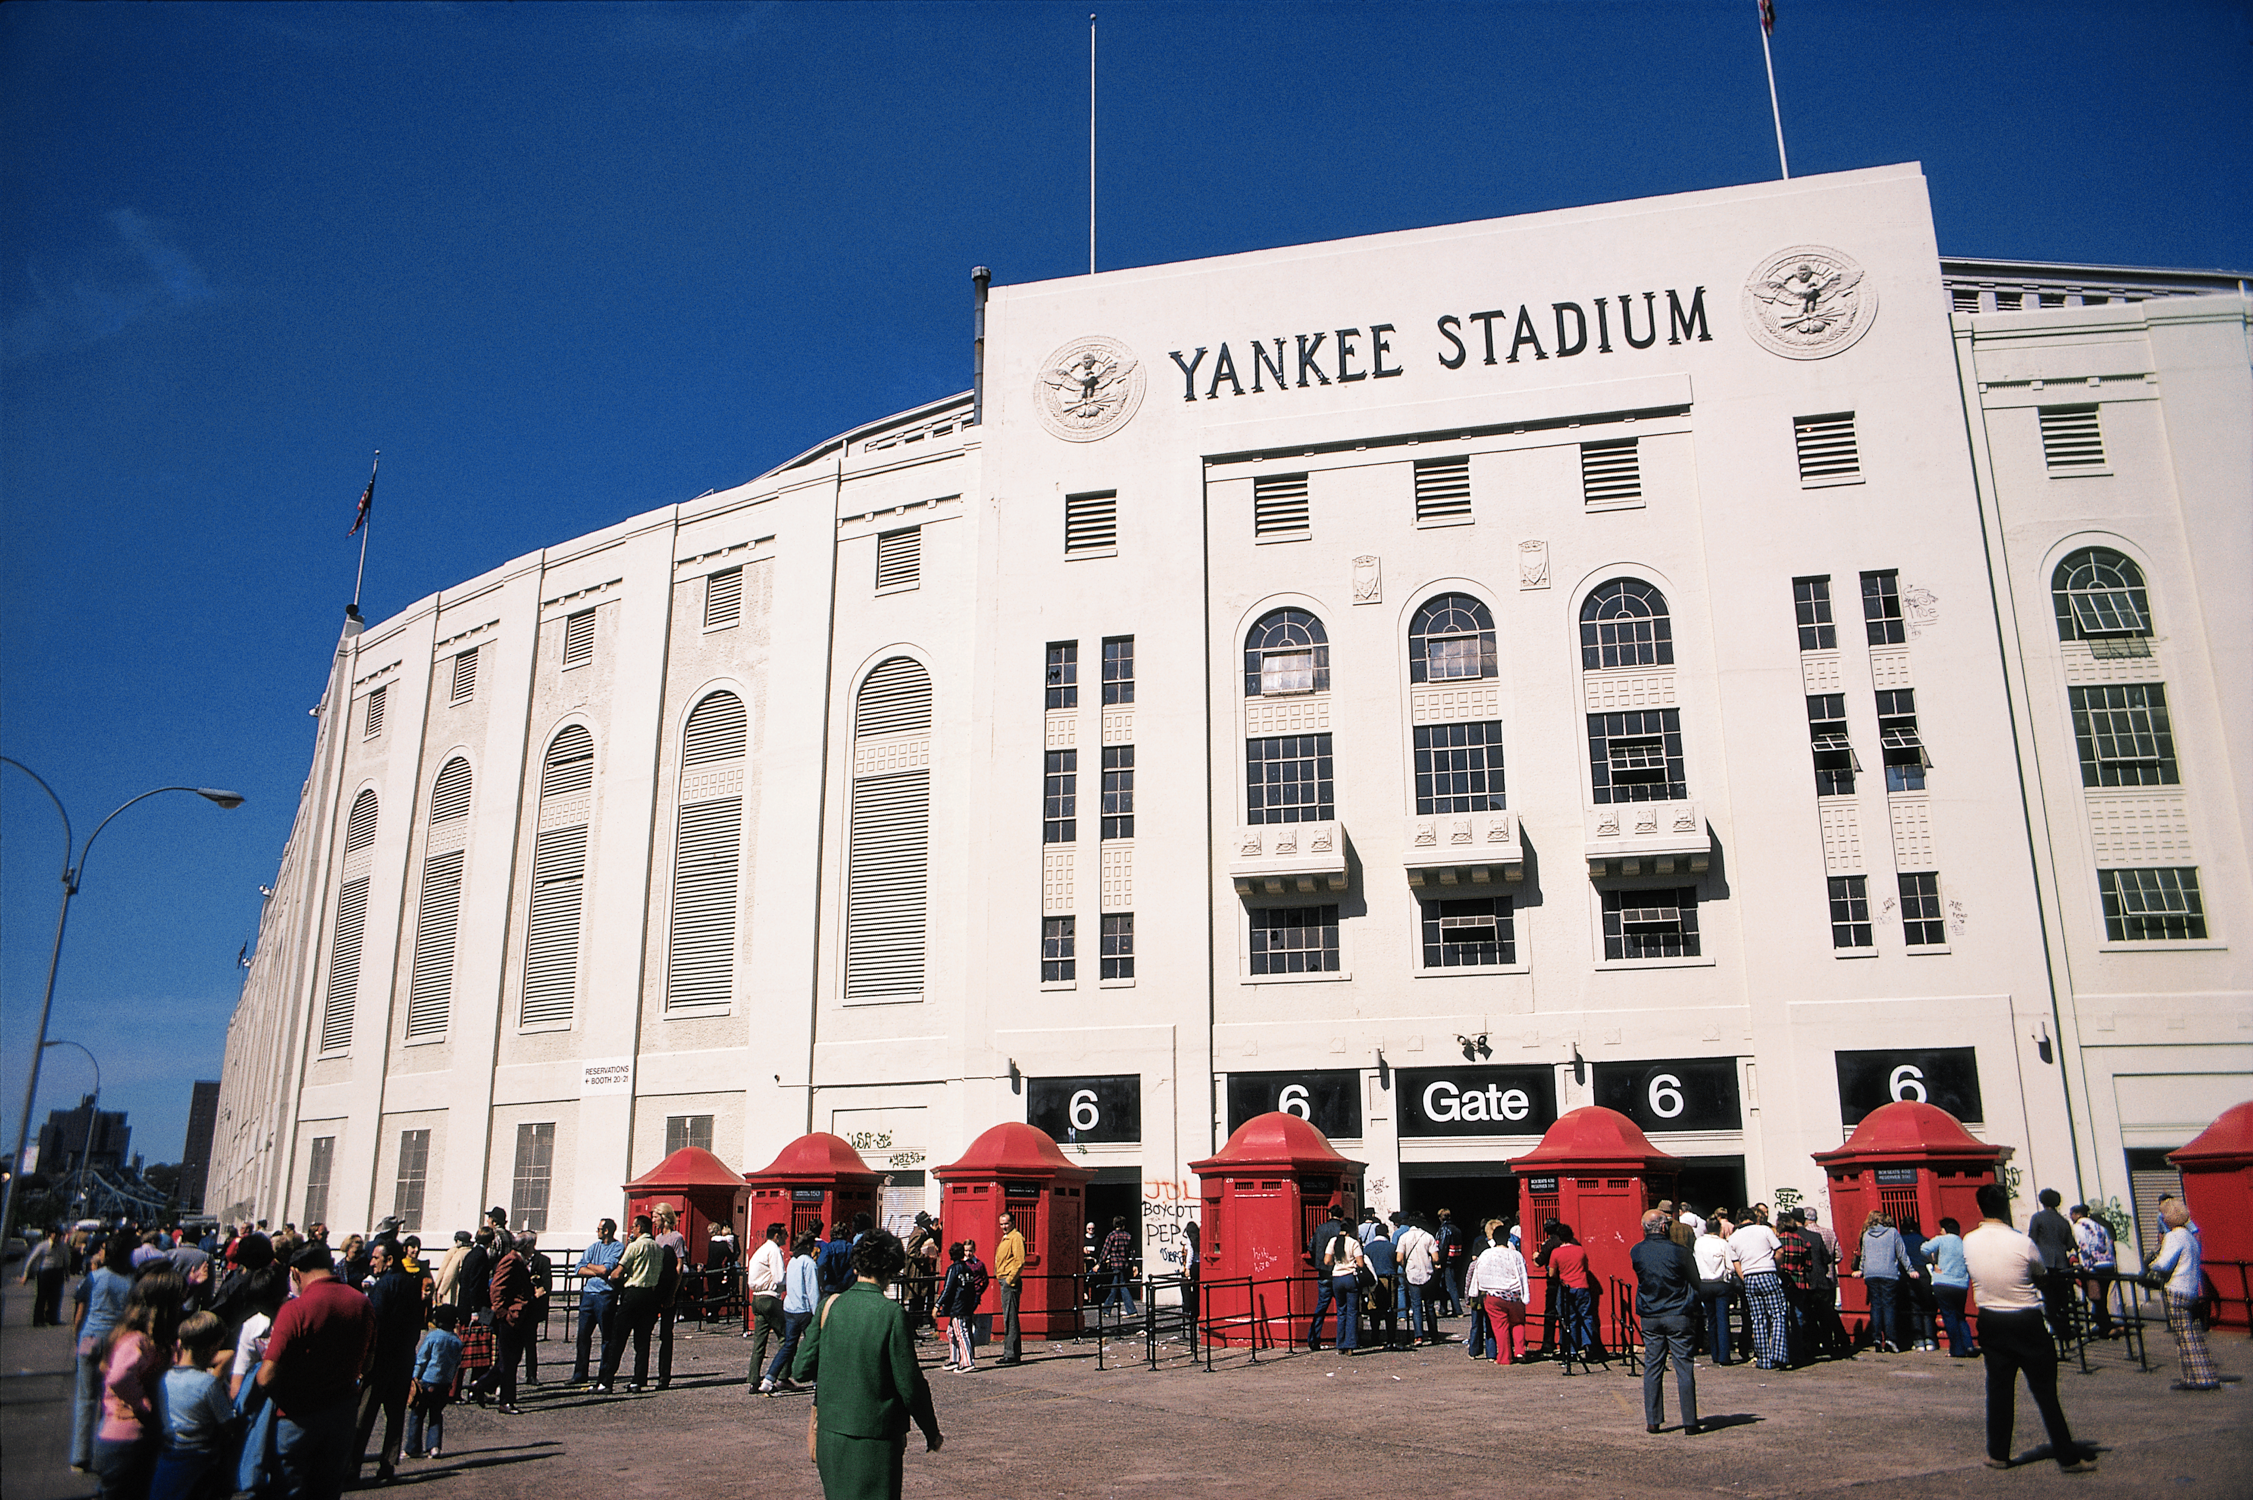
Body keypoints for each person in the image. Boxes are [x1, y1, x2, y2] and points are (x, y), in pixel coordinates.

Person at [790, 1229, 942, 1500]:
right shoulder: (892, 1314)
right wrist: (931, 1432)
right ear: (889, 1269)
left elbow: (800, 1369)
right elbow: (910, 1385)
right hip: (877, 1438)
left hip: (831, 1433)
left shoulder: (830, 1306)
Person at [1963, 1183, 2094, 1472]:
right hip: (2025, 1318)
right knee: (2045, 1391)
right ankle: (2068, 1457)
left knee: (1998, 1389)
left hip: (1990, 1317)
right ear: (2006, 1207)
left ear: (1979, 1207)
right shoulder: (2021, 1242)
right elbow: (2040, 1274)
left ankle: (1998, 1453)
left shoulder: (1968, 1240)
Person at [257, 1243, 376, 1500]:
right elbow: (367, 1365)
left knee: (288, 1490)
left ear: (295, 1272)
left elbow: (266, 1376)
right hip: (342, 1415)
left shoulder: (295, 1309)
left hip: (297, 1416)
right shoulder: (363, 1303)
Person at [95, 1271, 183, 1500]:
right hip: (127, 1443)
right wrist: (141, 1403)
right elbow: (119, 1377)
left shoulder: (136, 1336)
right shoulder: (137, 1340)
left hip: (124, 1440)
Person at [149, 1311, 236, 1500]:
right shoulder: (207, 1384)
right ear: (211, 1348)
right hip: (200, 1459)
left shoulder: (166, 1378)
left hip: (170, 1453)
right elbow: (228, 1425)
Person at [355, 1241, 423, 1481]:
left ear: (389, 1260)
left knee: (364, 1414)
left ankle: (352, 1466)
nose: (372, 1262)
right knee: (395, 1416)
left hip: (381, 1359)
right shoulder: (411, 1284)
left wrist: (365, 1359)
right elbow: (417, 1323)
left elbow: (374, 1323)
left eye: (376, 1258)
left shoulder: (383, 1286)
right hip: (404, 1357)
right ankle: (388, 1464)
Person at [74, 1231, 140, 1471]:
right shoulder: (131, 1281)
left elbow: (80, 1313)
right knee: (108, 1399)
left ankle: (80, 1456)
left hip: (89, 1337)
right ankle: (103, 1455)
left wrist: (77, 1339)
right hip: (115, 1341)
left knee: (84, 1397)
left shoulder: (95, 1277)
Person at [1632, 1209, 1701, 1436]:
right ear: (1664, 1226)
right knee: (1684, 1367)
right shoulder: (1679, 1252)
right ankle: (1690, 1421)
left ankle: (1653, 1420)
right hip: (1678, 1312)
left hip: (1650, 1314)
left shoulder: (1637, 1251)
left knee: (1653, 1366)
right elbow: (1695, 1280)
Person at [2148, 1199, 2217, 1392]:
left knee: (2184, 1338)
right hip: (2191, 1289)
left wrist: (2152, 1264)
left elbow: (2164, 1263)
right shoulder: (2189, 1236)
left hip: (2176, 1289)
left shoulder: (2174, 1236)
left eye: (2163, 1214)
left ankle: (2198, 1379)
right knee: (2193, 1335)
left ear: (2168, 1217)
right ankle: (2204, 1374)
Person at [595, 1214, 662, 1393]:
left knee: (618, 1339)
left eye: (634, 1227)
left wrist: (613, 1277)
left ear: (640, 1228)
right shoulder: (658, 1248)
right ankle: (638, 1381)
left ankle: (606, 1381)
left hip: (632, 1293)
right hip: (650, 1295)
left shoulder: (635, 1246)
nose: (632, 1230)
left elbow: (618, 1272)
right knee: (642, 1342)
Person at [760, 1229, 821, 1396]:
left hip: (790, 1309)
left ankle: (768, 1379)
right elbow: (813, 1291)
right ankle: (817, 1381)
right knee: (814, 1345)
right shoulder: (809, 1263)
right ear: (809, 1246)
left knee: (788, 1346)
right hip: (804, 1311)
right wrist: (817, 1314)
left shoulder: (793, 1261)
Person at [1728, 1212, 1789, 1370]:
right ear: (1753, 1219)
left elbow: (1736, 1263)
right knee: (1777, 1314)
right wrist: (1777, 1268)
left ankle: (1764, 1359)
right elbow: (1780, 1251)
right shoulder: (1764, 1230)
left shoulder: (1733, 1238)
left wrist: (1745, 1278)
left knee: (1758, 1319)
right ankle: (1779, 1354)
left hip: (1749, 1277)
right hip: (1768, 1273)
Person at [403, 1306, 464, 1461]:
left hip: (427, 1380)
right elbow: (456, 1363)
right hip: (444, 1383)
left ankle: (413, 1448)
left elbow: (422, 1359)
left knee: (417, 1414)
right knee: (436, 1414)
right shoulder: (457, 1341)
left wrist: (415, 1376)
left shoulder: (432, 1337)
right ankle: (434, 1446)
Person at [1855, 1210, 1919, 1353]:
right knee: (1889, 1307)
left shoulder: (1866, 1234)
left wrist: (1862, 1270)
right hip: (1888, 1273)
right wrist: (1910, 1270)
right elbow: (1901, 1253)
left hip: (1871, 1274)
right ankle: (1890, 1340)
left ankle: (1877, 1339)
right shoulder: (1892, 1232)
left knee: (1876, 1306)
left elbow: (1864, 1255)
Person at [1467, 1217, 1529, 1364]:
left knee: (1500, 1327)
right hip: (1514, 1295)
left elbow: (1477, 1273)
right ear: (1508, 1238)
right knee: (1518, 1322)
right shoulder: (1516, 1255)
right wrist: (1525, 1296)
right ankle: (1520, 1351)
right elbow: (1522, 1275)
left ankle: (1505, 1357)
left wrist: (1473, 1292)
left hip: (1493, 1295)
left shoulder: (1486, 1254)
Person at [571, 1218, 623, 1384]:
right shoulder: (593, 1247)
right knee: (582, 1336)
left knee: (606, 1337)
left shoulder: (617, 1248)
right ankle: (580, 1374)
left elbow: (605, 1269)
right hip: (588, 1294)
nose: (597, 1231)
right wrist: (597, 1271)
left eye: (599, 1228)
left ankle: (604, 1374)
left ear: (606, 1230)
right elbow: (578, 1268)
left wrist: (591, 1266)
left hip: (605, 1295)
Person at [488, 1231, 535, 1413]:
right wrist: (503, 1313)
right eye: (533, 1245)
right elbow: (496, 1287)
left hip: (519, 1316)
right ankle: (506, 1400)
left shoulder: (519, 1260)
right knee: (508, 1361)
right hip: (510, 1317)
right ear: (527, 1246)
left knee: (511, 1359)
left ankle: (481, 1385)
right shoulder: (511, 1260)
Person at [1923, 1217, 1979, 1357]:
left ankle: (1957, 1349)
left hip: (1942, 1282)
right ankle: (1969, 1345)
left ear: (1945, 1229)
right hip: (1960, 1284)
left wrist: (1933, 1262)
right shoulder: (1963, 1242)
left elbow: (1924, 1248)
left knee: (1949, 1316)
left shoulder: (1941, 1239)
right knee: (1960, 1316)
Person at [2027, 1188, 2077, 1342]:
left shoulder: (2037, 1218)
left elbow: (2031, 1240)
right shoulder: (2063, 1221)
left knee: (2049, 1298)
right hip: (2061, 1263)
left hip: (2045, 1263)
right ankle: (2065, 1329)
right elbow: (2070, 1245)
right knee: (2063, 1298)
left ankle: (2055, 1329)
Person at [650, 1203, 692, 1389]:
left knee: (666, 1334)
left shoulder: (677, 1238)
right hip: (655, 1288)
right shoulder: (657, 1238)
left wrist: (673, 1293)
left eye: (655, 1216)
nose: (653, 1219)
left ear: (664, 1217)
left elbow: (679, 1266)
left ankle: (664, 1376)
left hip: (669, 1288)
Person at [745, 1222, 790, 1388]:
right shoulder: (774, 1250)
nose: (786, 1237)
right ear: (776, 1236)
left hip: (756, 1298)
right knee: (786, 1337)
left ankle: (753, 1378)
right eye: (784, 1234)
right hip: (770, 1298)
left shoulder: (760, 1250)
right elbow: (779, 1278)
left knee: (759, 1342)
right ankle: (783, 1376)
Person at [1547, 1223, 1597, 1363]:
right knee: (1586, 1317)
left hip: (1566, 1288)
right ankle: (1588, 1346)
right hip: (1582, 1285)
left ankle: (1572, 1350)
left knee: (1569, 1319)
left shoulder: (1556, 1252)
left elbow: (1552, 1273)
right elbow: (1585, 1268)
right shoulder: (1580, 1250)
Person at [1693, 1218, 1740, 1365]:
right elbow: (1731, 1267)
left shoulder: (1698, 1242)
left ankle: (1715, 1353)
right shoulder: (1723, 1243)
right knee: (1723, 1320)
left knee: (1711, 1320)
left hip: (1704, 1284)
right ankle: (1725, 1356)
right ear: (1719, 1228)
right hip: (1721, 1284)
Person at [1773, 1209, 1817, 1365]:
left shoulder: (1777, 1241)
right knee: (1797, 1318)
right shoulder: (1802, 1241)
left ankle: (1783, 1353)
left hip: (1782, 1281)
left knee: (1781, 1318)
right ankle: (1798, 1354)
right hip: (1799, 1282)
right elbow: (1809, 1265)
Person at [1303, 1203, 1348, 1350]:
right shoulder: (1343, 1228)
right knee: (1343, 1307)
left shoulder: (1320, 1228)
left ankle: (1314, 1338)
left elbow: (1311, 1247)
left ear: (1329, 1214)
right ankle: (1344, 1340)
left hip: (1324, 1271)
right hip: (1341, 1271)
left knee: (1321, 1306)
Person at [1319, 1216, 1365, 1354]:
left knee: (1341, 1311)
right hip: (1350, 1277)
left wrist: (1337, 1264)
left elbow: (1327, 1261)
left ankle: (1340, 1344)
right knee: (1352, 1312)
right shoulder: (1353, 1243)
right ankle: (1350, 1344)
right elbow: (1361, 1263)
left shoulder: (1333, 1241)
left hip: (1336, 1278)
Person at [2069, 1205, 2116, 1339]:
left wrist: (2086, 1266)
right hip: (2108, 1264)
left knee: (2095, 1298)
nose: (2071, 1217)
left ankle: (2107, 1328)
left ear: (2078, 1214)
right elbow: (2109, 1244)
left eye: (2071, 1214)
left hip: (2094, 1266)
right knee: (2102, 1299)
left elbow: (2084, 1245)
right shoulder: (2099, 1226)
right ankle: (2103, 1326)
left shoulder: (2078, 1227)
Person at [1393, 1213, 1438, 1346]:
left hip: (1412, 1274)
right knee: (1429, 1306)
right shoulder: (1428, 1236)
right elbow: (1435, 1258)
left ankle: (1418, 1336)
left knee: (1416, 1306)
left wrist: (1405, 1266)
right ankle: (1434, 1335)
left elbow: (1399, 1258)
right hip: (1427, 1274)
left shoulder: (1403, 1237)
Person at [993, 1211, 1027, 1366]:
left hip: (1009, 1282)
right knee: (1009, 1317)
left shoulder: (1016, 1237)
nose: (1004, 1227)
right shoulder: (1006, 1237)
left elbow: (1019, 1261)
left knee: (1010, 1318)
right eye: (1001, 1224)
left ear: (1012, 1223)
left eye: (1006, 1223)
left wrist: (1009, 1280)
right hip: (1004, 1280)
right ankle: (1011, 1352)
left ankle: (1011, 1353)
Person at [938, 1242, 977, 1373]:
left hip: (957, 1305)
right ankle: (954, 1359)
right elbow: (973, 1289)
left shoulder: (953, 1269)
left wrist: (938, 1304)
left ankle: (967, 1362)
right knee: (952, 1331)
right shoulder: (968, 1269)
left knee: (960, 1332)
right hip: (966, 1304)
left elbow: (948, 1289)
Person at [1362, 1216, 1399, 1348]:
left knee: (1374, 1308)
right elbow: (1397, 1262)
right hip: (1390, 1278)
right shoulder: (1392, 1247)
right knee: (1390, 1307)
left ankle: (1375, 1335)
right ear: (1387, 1233)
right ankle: (1391, 1337)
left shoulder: (1368, 1248)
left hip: (1374, 1280)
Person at [23, 1225, 69, 1326]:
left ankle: (53, 1318)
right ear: (50, 1234)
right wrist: (26, 1274)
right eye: (54, 1234)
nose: (56, 1237)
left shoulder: (63, 1246)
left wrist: (67, 1273)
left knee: (55, 1297)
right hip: (45, 1272)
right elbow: (31, 1259)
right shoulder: (42, 1245)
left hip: (57, 1272)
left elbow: (66, 1260)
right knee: (42, 1297)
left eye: (58, 1235)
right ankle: (38, 1320)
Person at [1098, 1215, 1139, 1318]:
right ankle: (1107, 1309)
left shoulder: (1111, 1236)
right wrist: (1134, 1265)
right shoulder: (1128, 1236)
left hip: (1115, 1264)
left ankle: (1130, 1310)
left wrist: (1099, 1263)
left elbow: (1105, 1251)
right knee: (1116, 1286)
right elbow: (1132, 1252)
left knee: (1120, 1286)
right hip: (1124, 1264)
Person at [1434, 1209, 1465, 1318]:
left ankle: (1457, 1310)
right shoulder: (1457, 1229)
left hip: (1446, 1261)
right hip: (1455, 1259)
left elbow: (1442, 1247)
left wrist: (1438, 1261)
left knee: (1449, 1285)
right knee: (1445, 1284)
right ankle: (1444, 1308)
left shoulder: (1444, 1230)